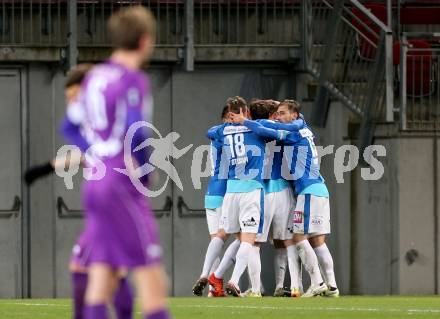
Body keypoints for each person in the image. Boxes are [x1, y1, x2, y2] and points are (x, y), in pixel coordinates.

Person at [61, 6, 172, 318]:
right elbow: (137, 131)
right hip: (120, 182)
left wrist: (95, 149)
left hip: (94, 181)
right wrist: (145, 172)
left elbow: (68, 126)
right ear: (146, 41)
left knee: (102, 275)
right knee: (153, 281)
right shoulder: (132, 79)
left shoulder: (95, 76)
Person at [25, 63, 135, 319]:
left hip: (110, 203)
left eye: (73, 96)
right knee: (108, 270)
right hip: (109, 204)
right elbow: (85, 155)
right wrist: (45, 168)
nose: (71, 103)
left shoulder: (108, 120)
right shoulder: (96, 124)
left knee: (83, 266)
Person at [230, 99, 338, 297]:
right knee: (314, 240)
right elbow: (291, 122)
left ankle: (316, 282)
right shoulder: (302, 126)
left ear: (293, 114)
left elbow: (269, 131)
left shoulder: (273, 130)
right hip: (310, 188)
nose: (279, 117)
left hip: (286, 189)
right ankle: (326, 285)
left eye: (282, 113)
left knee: (274, 240)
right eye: (277, 112)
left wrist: (244, 121)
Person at [206, 97, 284, 297]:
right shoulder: (254, 127)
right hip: (252, 190)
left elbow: (210, 133)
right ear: (245, 111)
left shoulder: (223, 130)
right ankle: (231, 279)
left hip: (231, 192)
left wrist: (231, 123)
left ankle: (215, 277)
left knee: (236, 238)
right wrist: (246, 122)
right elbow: (275, 134)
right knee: (248, 240)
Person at [192, 105, 239, 297]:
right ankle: (217, 280)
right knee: (244, 238)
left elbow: (209, 131)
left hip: (212, 192)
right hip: (227, 191)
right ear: (228, 117)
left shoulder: (217, 133)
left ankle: (212, 286)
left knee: (217, 240)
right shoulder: (227, 136)